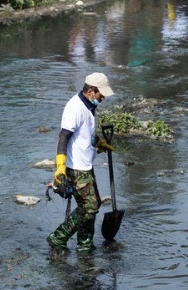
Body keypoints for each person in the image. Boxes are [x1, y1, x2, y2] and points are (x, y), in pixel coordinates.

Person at [48, 73, 115, 253]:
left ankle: (85, 244)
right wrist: (60, 167)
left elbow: (85, 133)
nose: (103, 98)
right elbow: (63, 137)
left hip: (86, 165)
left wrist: (98, 143)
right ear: (91, 91)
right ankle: (58, 237)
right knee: (89, 207)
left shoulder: (90, 106)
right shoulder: (75, 108)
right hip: (75, 167)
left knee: (94, 204)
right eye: (101, 94)